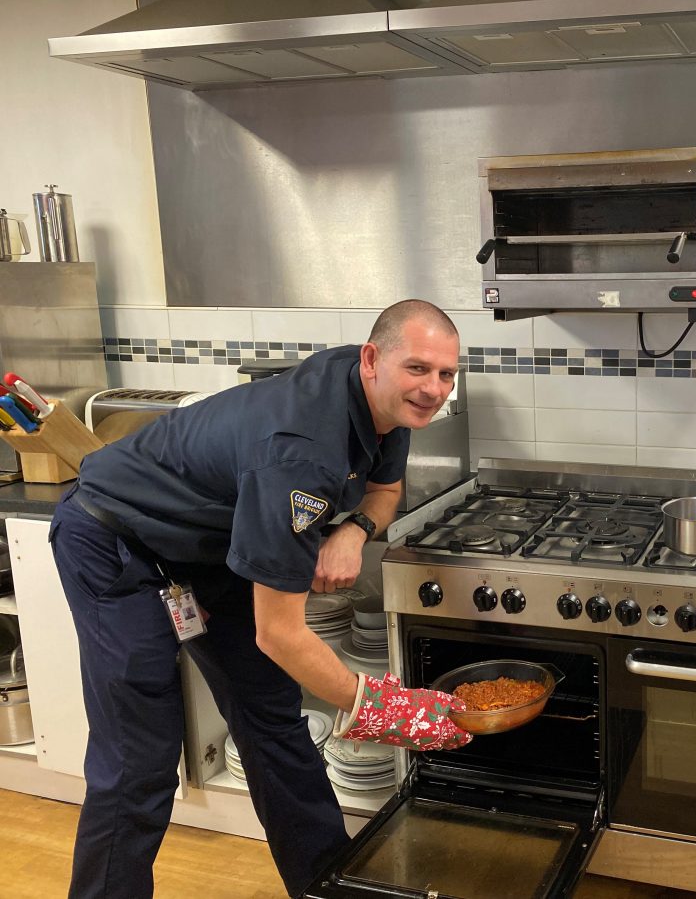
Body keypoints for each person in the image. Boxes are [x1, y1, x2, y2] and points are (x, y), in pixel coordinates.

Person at [50, 299, 473, 899]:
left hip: (205, 551)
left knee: (272, 719)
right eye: (419, 370)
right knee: (139, 757)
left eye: (446, 374)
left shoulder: (384, 406)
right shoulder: (301, 452)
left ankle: (325, 887)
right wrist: (386, 708)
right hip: (115, 540)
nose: (433, 389)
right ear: (373, 359)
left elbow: (386, 486)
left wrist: (353, 532)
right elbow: (279, 633)